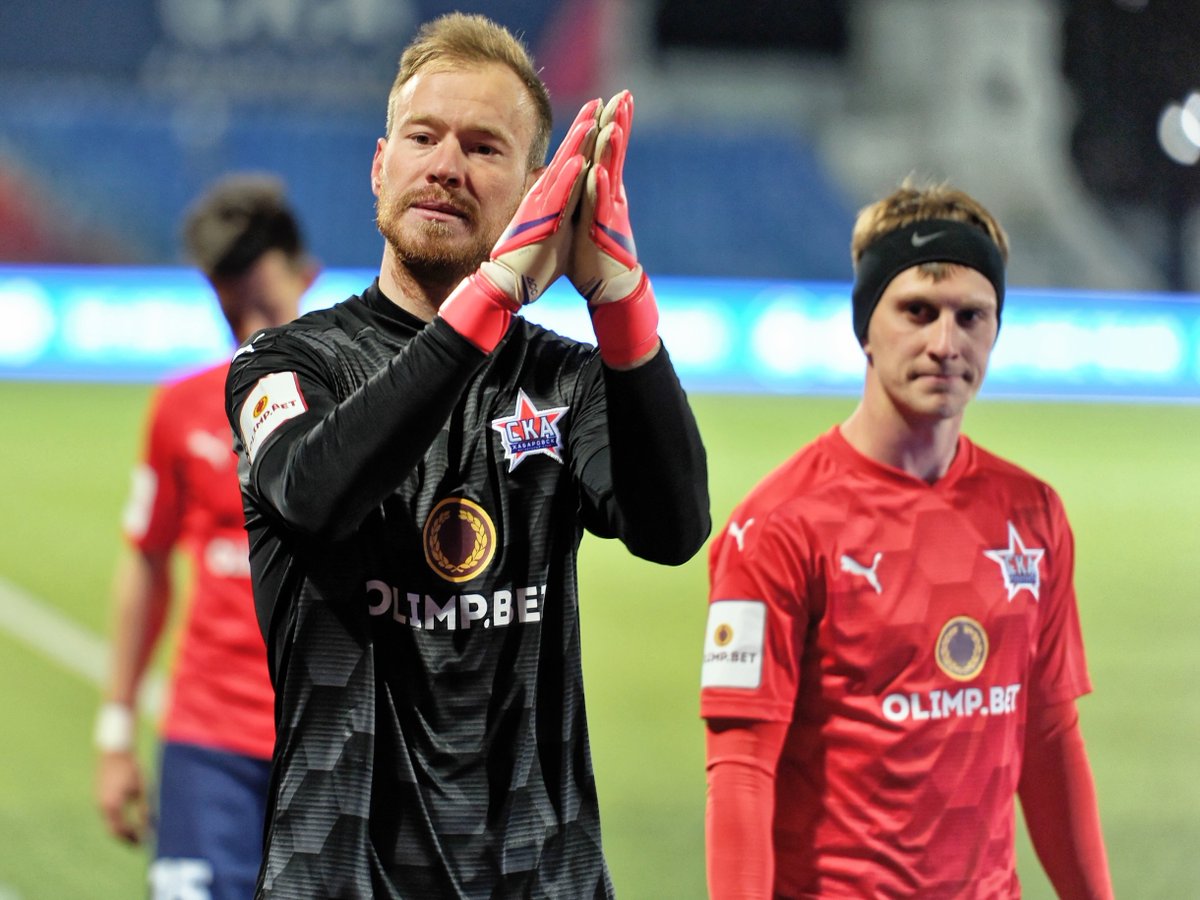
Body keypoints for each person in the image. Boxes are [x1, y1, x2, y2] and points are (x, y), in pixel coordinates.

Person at [223, 12, 709, 899]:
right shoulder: (287, 365)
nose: (446, 165)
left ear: (535, 192)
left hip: (542, 879)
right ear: (380, 165)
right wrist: (492, 295)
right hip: (340, 878)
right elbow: (317, 493)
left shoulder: (568, 380)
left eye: (485, 148)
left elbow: (672, 529)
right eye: (424, 138)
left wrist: (621, 300)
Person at [701, 180, 1113, 898]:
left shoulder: (1034, 513)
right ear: (866, 324)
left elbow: (1049, 738)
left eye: (971, 316)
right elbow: (742, 770)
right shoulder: (774, 527)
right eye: (917, 312)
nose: (945, 344)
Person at [95, 174, 317, 899]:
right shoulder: (183, 408)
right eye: (232, 309)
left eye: (265, 307)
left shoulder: (359, 407)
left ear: (308, 276)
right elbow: (146, 563)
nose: (249, 330)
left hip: (329, 741)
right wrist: (116, 733)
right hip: (207, 742)